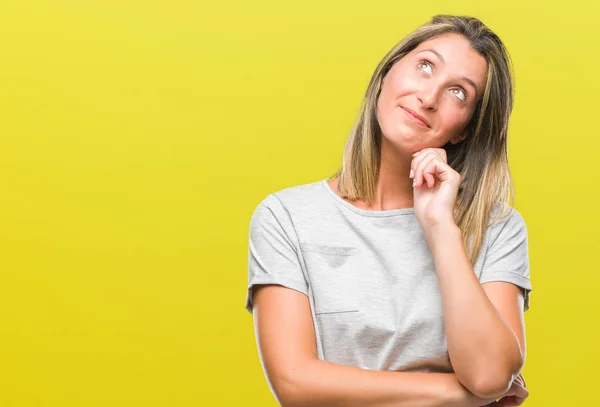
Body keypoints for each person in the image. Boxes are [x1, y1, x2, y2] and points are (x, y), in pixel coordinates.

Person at [245, 14, 532, 407]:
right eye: (425, 66)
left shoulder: (497, 228)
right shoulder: (286, 218)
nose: (429, 97)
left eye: (458, 93)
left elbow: (488, 374)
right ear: (388, 72)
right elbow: (295, 384)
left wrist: (440, 227)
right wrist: (458, 394)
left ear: (463, 129)